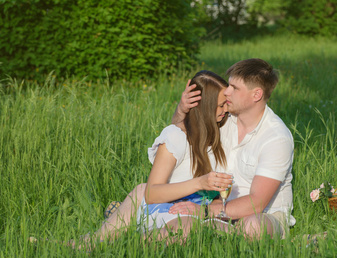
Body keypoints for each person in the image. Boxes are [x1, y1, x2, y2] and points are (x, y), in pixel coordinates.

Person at [35, 70, 234, 247]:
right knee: (175, 217)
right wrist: (200, 183)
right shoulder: (175, 137)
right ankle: (94, 244)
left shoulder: (221, 132)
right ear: (205, 108)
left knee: (198, 226)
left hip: (201, 212)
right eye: (221, 105)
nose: (227, 109)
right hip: (169, 208)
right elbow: (152, 193)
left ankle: (119, 231)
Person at [170, 58, 296, 239]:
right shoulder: (224, 118)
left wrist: (204, 212)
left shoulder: (276, 137)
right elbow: (178, 142)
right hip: (215, 207)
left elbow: (257, 202)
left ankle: (210, 231)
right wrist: (181, 111)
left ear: (256, 95)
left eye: (234, 88)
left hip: (263, 215)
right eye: (228, 85)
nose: (226, 92)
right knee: (162, 202)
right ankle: (213, 232)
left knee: (253, 227)